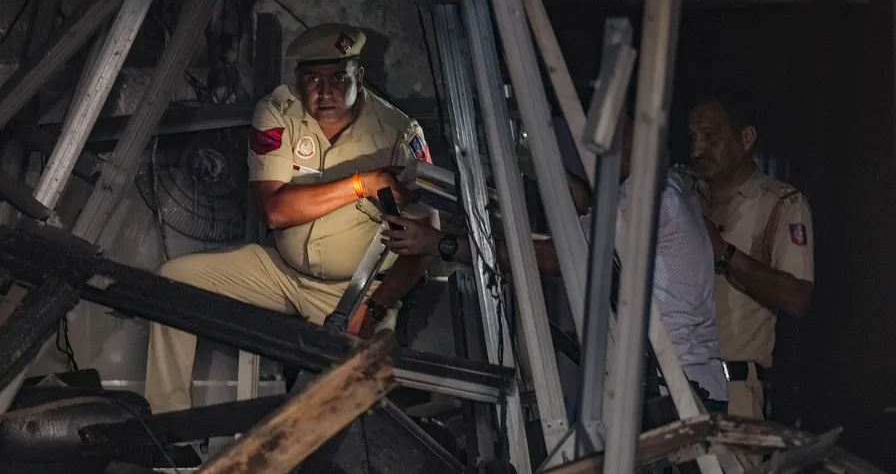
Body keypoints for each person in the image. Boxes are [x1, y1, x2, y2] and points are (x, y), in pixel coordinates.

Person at [144, 23, 437, 414]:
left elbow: (423, 243)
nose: (326, 91)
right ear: (297, 80)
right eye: (312, 79)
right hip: (281, 272)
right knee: (173, 282)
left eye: (338, 78)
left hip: (359, 290)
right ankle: (167, 429)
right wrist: (363, 183)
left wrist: (377, 309)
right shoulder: (277, 113)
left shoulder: (399, 134)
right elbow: (275, 211)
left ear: (360, 77)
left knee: (369, 398)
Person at [382, 119, 730, 412]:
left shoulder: (648, 194)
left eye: (620, 132)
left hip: (675, 390)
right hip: (690, 384)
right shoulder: (671, 188)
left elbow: (556, 254)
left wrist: (440, 244)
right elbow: (590, 226)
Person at [688, 91, 814, 420]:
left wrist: (725, 254)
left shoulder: (780, 203)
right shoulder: (682, 197)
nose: (697, 150)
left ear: (745, 138)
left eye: (710, 137)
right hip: (672, 388)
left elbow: (796, 298)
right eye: (693, 138)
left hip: (735, 394)